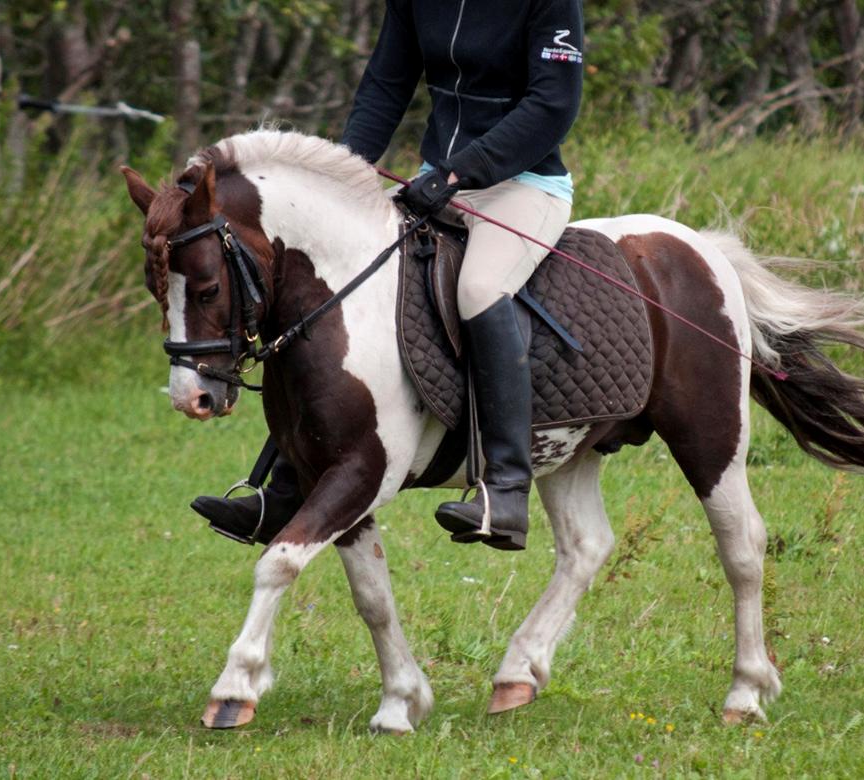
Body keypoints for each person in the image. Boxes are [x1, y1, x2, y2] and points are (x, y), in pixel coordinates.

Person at [194, 0, 584, 552]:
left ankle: (506, 490)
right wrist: (339, 179)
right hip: (436, 182)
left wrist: (460, 171)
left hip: (522, 186)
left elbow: (553, 104)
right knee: (331, 289)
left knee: (478, 289)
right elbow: (385, 85)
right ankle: (283, 488)